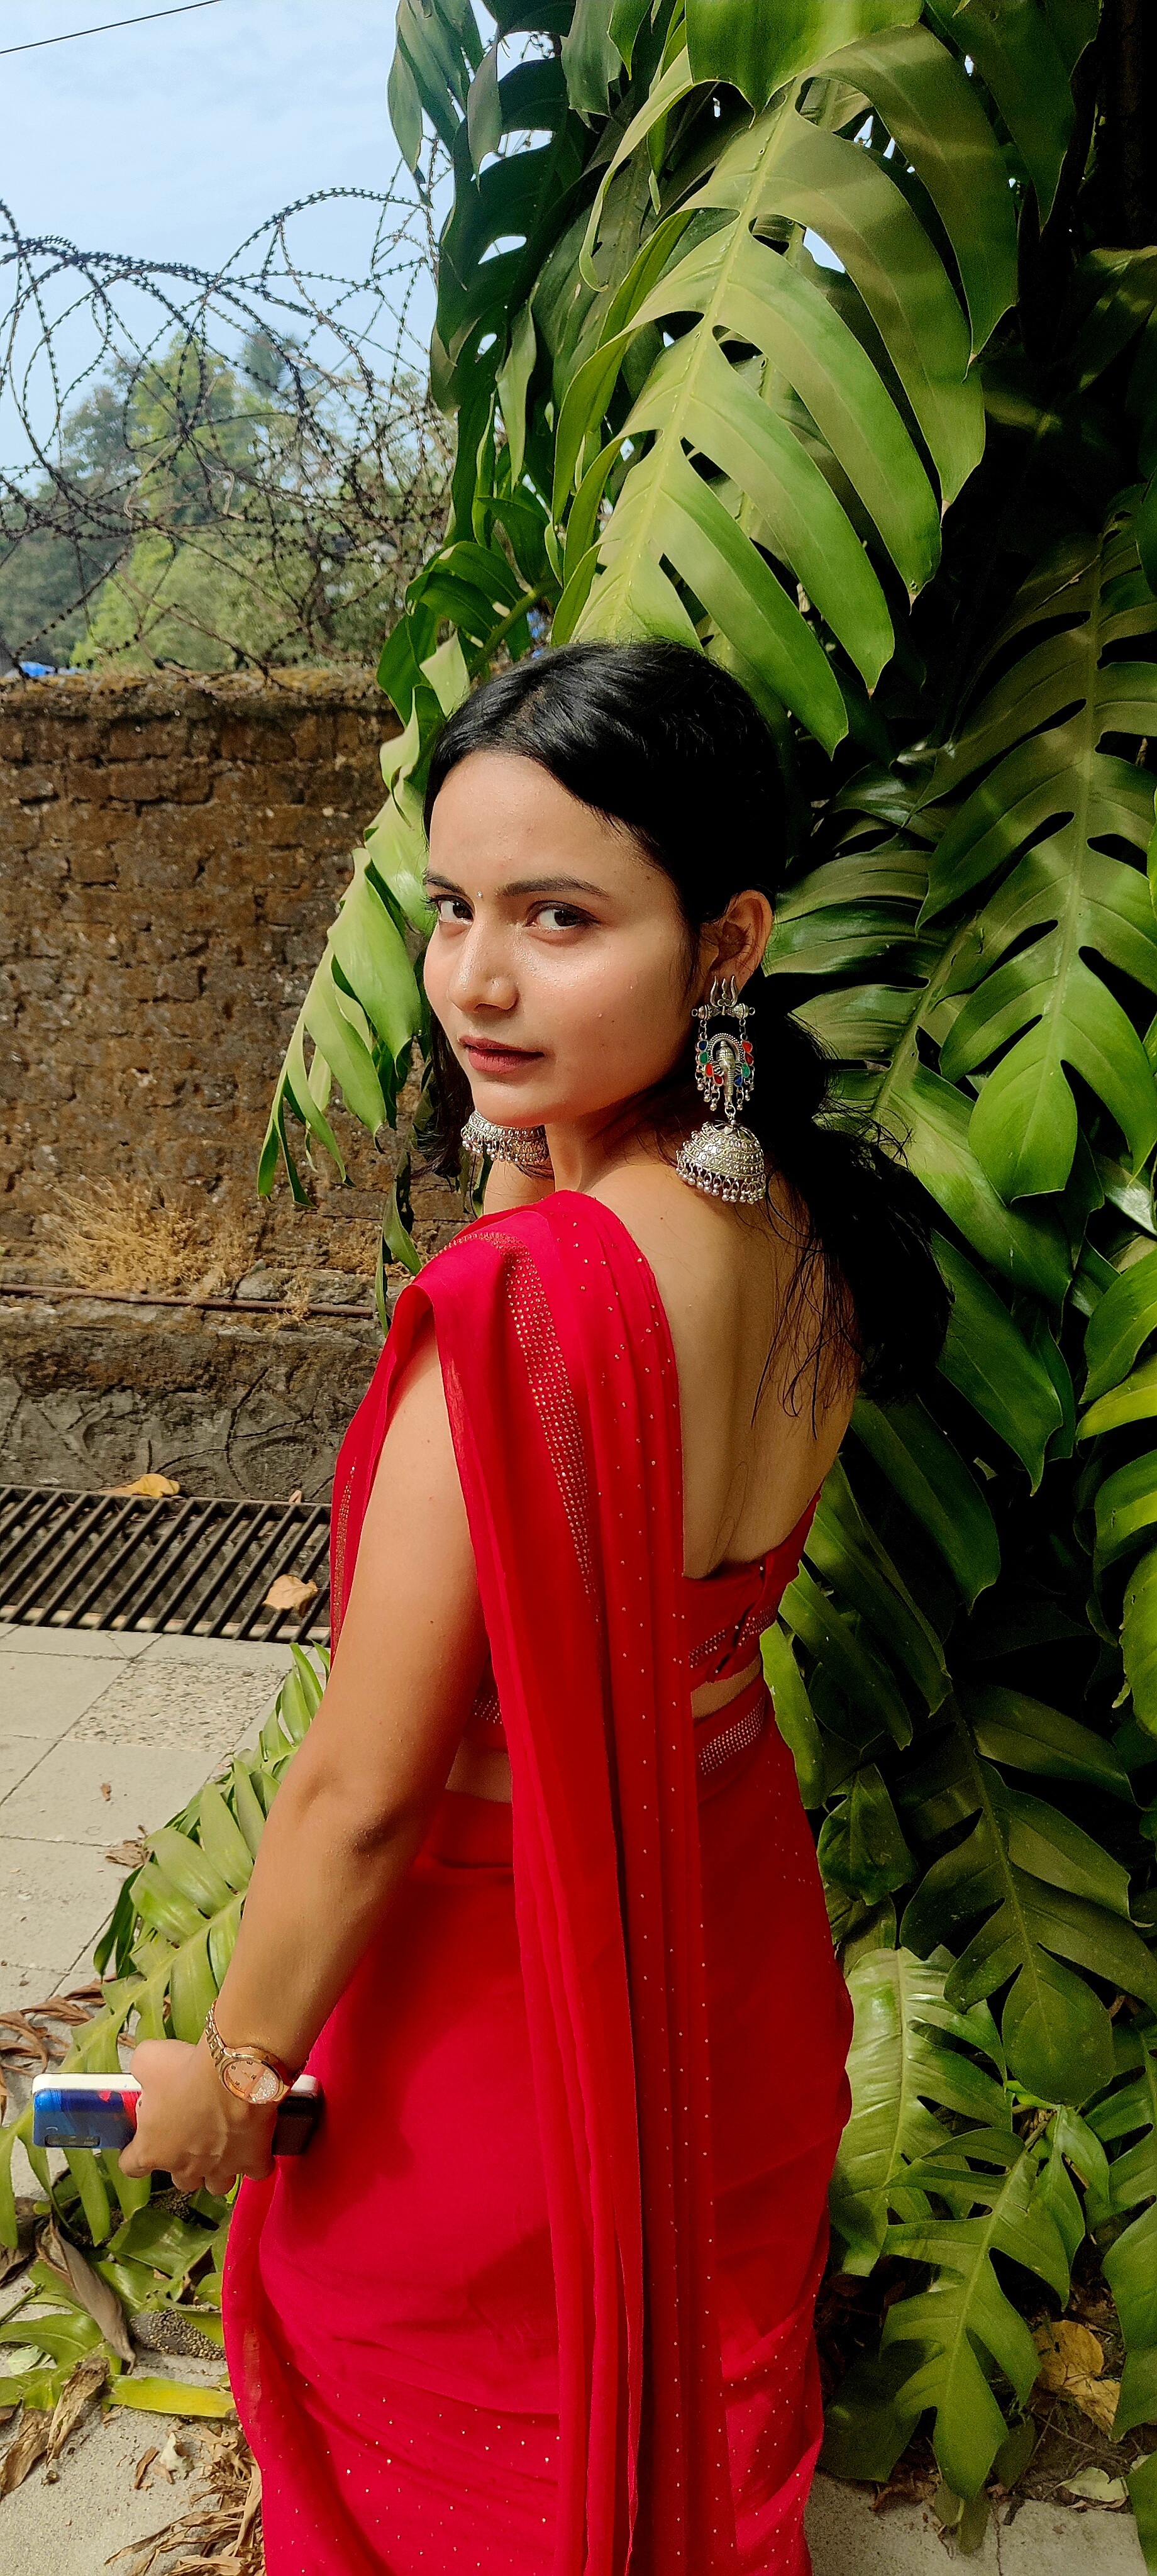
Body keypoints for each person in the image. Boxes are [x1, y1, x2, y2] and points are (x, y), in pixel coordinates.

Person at [121, 641, 948, 2576]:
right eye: (453, 911)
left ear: (725, 941)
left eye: (559, 919)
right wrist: (527, 1147)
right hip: (728, 1946)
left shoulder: (519, 1324)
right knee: (687, 2411)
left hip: (501, 2025)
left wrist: (235, 2070)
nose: (476, 982)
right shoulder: (799, 1224)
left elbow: (363, 1794)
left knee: (458, 2457)